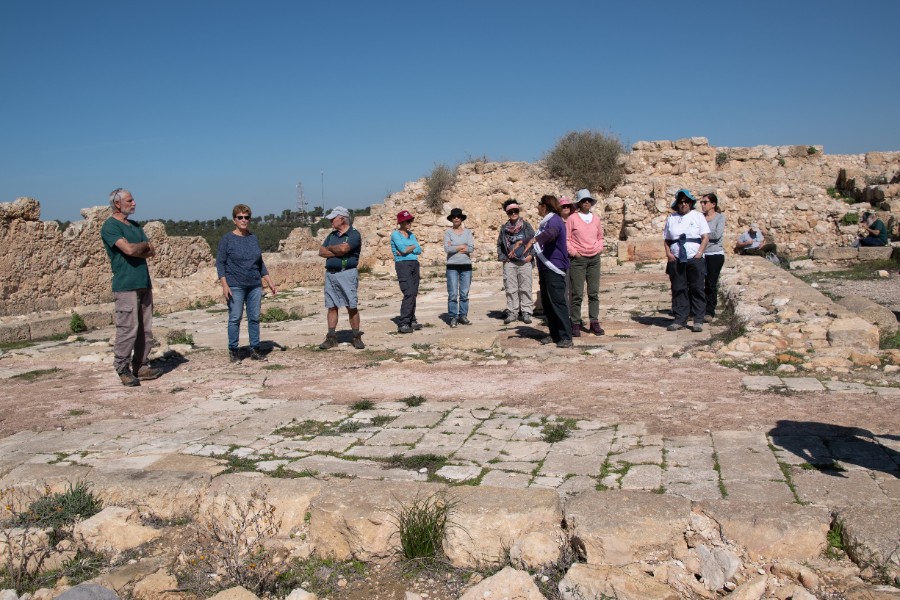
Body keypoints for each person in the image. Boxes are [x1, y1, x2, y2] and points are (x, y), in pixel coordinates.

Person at [100, 188, 162, 387]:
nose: (134, 203)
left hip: (143, 282)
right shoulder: (110, 227)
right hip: (126, 285)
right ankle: (122, 367)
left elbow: (151, 251)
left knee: (145, 329)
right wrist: (140, 247)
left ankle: (141, 365)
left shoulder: (135, 226)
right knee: (128, 328)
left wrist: (139, 248)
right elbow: (127, 249)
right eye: (130, 200)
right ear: (117, 204)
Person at [217, 204, 278, 363]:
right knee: (235, 318)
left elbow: (260, 263)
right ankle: (233, 351)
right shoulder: (227, 239)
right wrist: (224, 285)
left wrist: (269, 282)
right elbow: (220, 263)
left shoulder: (253, 238)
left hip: (254, 285)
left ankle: (255, 349)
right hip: (235, 285)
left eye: (246, 217)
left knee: (254, 318)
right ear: (234, 220)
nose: (244, 220)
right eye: (240, 217)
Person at [524, 195, 573, 348]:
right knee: (547, 303)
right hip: (545, 267)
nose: (538, 207)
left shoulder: (555, 221)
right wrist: (523, 241)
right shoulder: (545, 223)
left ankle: (566, 336)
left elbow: (551, 234)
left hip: (554, 267)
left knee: (557, 302)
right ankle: (554, 334)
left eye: (539, 204)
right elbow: (537, 237)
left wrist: (534, 240)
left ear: (545, 206)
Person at [663, 189, 710, 332]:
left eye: (686, 202)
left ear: (690, 203)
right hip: (676, 258)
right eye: (680, 202)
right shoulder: (671, 218)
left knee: (697, 288)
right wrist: (669, 254)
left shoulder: (697, 216)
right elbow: (667, 239)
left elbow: (705, 237)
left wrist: (699, 253)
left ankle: (698, 320)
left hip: (693, 257)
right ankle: (680, 319)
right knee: (678, 288)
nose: (683, 204)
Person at [318, 206, 364, 349]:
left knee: (351, 305)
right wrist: (337, 250)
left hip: (347, 273)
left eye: (334, 218)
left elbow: (345, 249)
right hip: (331, 274)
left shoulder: (354, 234)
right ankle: (331, 337)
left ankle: (356, 336)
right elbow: (321, 251)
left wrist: (331, 248)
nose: (331, 220)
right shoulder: (332, 235)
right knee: (331, 306)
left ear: (342, 218)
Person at [566, 189, 605, 337]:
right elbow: (567, 239)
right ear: (579, 203)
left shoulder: (595, 218)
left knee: (593, 292)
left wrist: (599, 248)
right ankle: (575, 322)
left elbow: (600, 236)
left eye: (588, 200)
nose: (586, 202)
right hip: (578, 259)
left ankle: (594, 321)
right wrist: (573, 252)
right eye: (583, 200)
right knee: (577, 293)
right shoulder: (572, 219)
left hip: (594, 258)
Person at [496, 199, 535, 325]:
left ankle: (526, 312)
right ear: (507, 213)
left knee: (526, 287)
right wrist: (503, 258)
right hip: (510, 262)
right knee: (510, 288)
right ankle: (512, 312)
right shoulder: (504, 228)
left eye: (516, 211)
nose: (514, 213)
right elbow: (499, 244)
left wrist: (531, 256)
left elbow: (534, 241)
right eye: (511, 212)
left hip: (524, 261)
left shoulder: (526, 226)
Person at [390, 210, 423, 333]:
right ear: (401, 222)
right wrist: (412, 247)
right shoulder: (395, 234)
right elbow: (403, 250)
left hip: (414, 264)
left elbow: (419, 250)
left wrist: (410, 248)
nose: (410, 223)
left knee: (413, 293)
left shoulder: (411, 235)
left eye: (410, 220)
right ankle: (404, 322)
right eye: (407, 221)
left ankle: (411, 320)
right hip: (402, 265)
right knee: (408, 292)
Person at [444, 207, 474, 327]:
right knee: (452, 294)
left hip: (466, 265)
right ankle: (453, 317)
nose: (456, 218)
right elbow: (447, 249)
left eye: (458, 216)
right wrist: (461, 246)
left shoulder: (468, 232)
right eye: (454, 216)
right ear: (451, 219)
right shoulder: (448, 233)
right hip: (452, 266)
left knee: (464, 293)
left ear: (461, 219)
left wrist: (454, 246)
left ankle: (463, 315)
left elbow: (471, 248)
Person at [700, 193, 725, 322]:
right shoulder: (700, 217)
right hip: (702, 254)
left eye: (705, 202)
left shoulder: (720, 218)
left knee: (711, 283)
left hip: (714, 254)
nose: (703, 205)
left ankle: (709, 310)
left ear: (713, 204)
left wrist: (703, 235)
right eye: (702, 202)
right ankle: (698, 309)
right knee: (698, 283)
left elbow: (716, 234)